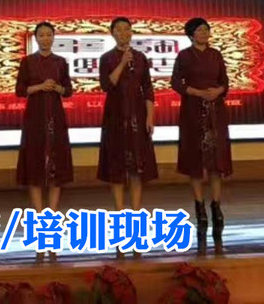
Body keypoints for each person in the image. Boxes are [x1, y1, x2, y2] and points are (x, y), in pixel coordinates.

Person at [171, 17, 232, 254]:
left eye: (206, 29)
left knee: (216, 161)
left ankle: (216, 207)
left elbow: (225, 82)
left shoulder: (216, 55)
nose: (204, 33)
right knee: (195, 162)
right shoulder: (184, 56)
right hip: (193, 112)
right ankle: (199, 208)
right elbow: (176, 83)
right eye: (199, 30)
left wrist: (218, 91)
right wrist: (197, 92)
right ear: (191, 34)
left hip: (216, 112)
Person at [15, 21, 74, 261]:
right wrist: (39, 86)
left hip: (56, 118)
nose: (46, 38)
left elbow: (69, 90)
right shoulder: (27, 62)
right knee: (35, 169)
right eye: (42, 35)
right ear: (36, 38)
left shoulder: (60, 62)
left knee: (56, 169)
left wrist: (58, 88)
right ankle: (40, 223)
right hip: (35, 118)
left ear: (54, 37)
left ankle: (51, 221)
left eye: (49, 35)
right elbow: (20, 90)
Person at [97, 16, 158, 249]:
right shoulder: (107, 58)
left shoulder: (141, 58)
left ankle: (136, 216)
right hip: (115, 116)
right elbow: (107, 84)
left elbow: (148, 88)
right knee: (117, 167)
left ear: (132, 32)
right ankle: (119, 216)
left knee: (137, 168)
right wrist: (122, 62)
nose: (124, 33)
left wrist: (150, 116)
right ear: (112, 33)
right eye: (119, 30)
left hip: (138, 115)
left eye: (127, 29)